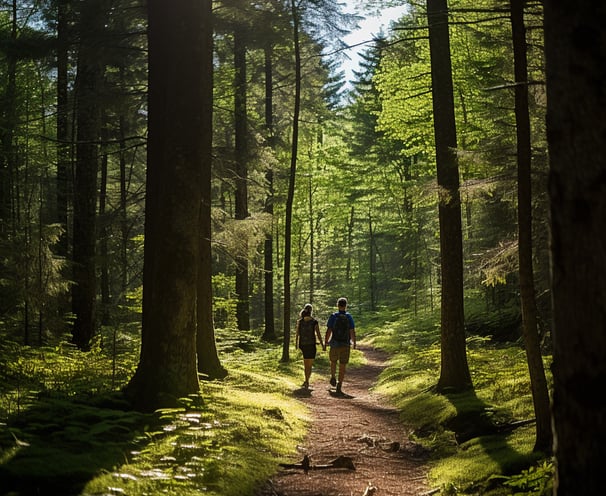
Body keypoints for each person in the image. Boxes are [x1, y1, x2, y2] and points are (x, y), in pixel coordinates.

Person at [324, 297, 356, 394]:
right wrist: (354, 342)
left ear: (337, 305)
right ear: (346, 306)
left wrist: (326, 342)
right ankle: (339, 384)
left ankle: (333, 376)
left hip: (334, 344)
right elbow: (352, 331)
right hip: (345, 344)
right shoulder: (349, 317)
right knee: (343, 365)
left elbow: (329, 330)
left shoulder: (333, 316)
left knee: (333, 361)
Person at [295, 303, 325, 389]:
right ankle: (307, 380)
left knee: (305, 364)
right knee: (310, 365)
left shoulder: (300, 322)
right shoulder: (314, 322)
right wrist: (322, 344)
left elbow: (297, 334)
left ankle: (306, 380)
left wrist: (296, 344)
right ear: (311, 311)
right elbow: (318, 334)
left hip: (303, 345)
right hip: (311, 345)